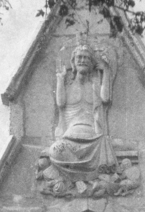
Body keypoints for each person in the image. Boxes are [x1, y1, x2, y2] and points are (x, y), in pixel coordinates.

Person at [44, 43, 116, 183]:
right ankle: (83, 176)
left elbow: (105, 98)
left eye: (86, 58)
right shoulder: (68, 87)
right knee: (54, 151)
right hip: (70, 139)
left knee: (106, 147)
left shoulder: (95, 86)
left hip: (94, 141)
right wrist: (60, 78)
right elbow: (60, 103)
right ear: (73, 62)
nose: (83, 60)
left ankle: (78, 177)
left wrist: (106, 71)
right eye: (79, 57)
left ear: (92, 63)